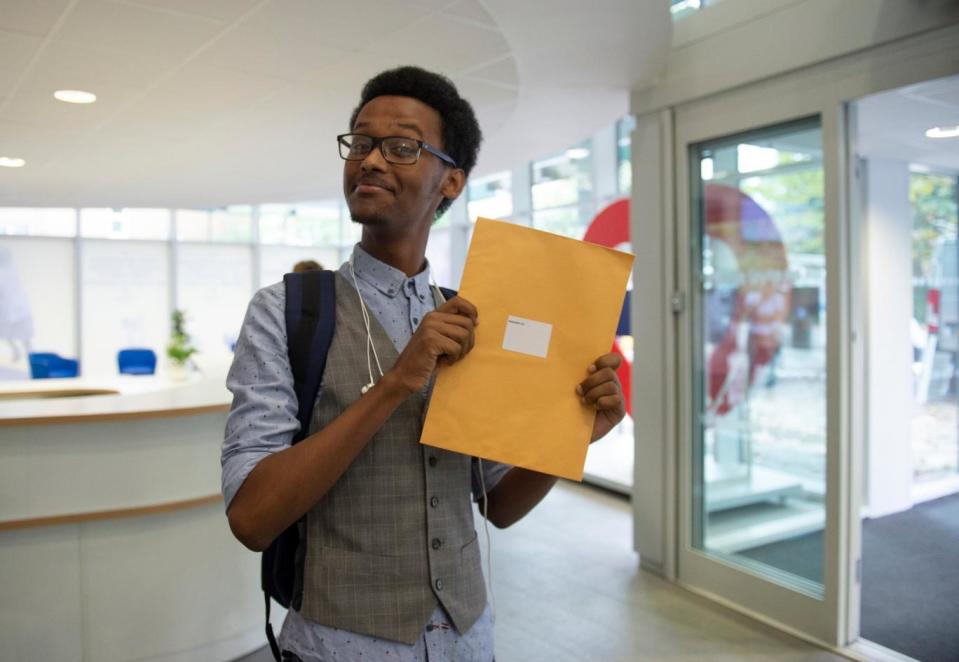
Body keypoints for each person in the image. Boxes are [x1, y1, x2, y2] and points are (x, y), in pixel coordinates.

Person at [221, 66, 626, 662]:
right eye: (360, 142)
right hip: (340, 646)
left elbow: (499, 506)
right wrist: (395, 384)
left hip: (469, 640)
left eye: (402, 146)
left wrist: (575, 437)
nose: (372, 160)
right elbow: (252, 517)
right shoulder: (285, 312)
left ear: (452, 181)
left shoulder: (474, 319)